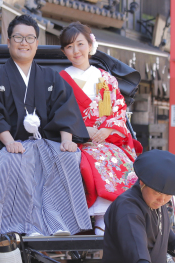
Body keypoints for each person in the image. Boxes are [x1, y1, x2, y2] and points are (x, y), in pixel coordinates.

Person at [0, 14, 92, 238]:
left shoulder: (50, 77)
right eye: (18, 37)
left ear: (36, 43)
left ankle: (60, 223)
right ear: (8, 42)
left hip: (45, 143)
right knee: (15, 160)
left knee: (68, 157)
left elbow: (65, 109)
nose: (24, 42)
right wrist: (9, 142)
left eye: (29, 38)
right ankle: (22, 227)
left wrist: (67, 140)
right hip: (9, 144)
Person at [58, 22, 143, 235]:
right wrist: (82, 130)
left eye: (80, 44)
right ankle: (98, 219)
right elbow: (56, 113)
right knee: (92, 161)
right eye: (69, 46)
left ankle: (114, 217)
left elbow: (118, 109)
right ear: (64, 51)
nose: (76, 51)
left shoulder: (106, 79)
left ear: (90, 44)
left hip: (107, 138)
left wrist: (107, 131)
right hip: (76, 139)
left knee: (120, 160)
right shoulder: (59, 79)